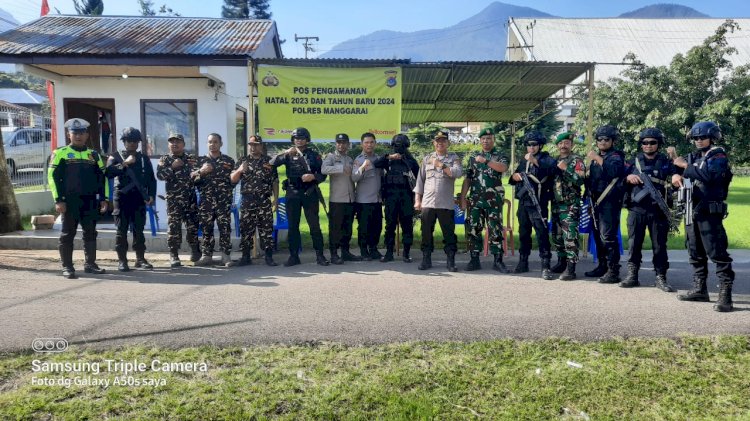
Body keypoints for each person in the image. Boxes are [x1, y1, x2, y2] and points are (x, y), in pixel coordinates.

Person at [671, 121, 735, 312]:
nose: (699, 141)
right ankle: (700, 289)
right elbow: (678, 169)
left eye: (703, 137)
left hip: (709, 212)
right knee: (695, 251)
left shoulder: (718, 155)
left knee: (717, 252)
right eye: (696, 138)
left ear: (712, 137)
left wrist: (684, 166)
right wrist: (676, 175)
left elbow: (709, 177)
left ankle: (725, 295)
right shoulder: (694, 157)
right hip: (691, 209)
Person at [48, 118, 109, 279]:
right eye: (75, 133)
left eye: (82, 133)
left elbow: (102, 178)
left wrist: (104, 198)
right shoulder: (59, 153)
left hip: (89, 201)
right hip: (69, 201)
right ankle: (67, 267)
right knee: (68, 233)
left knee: (90, 233)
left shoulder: (93, 155)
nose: (78, 136)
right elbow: (52, 177)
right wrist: (58, 200)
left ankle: (90, 264)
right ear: (69, 134)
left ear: (87, 135)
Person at [621, 127, 676, 292]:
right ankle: (632, 275)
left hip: (658, 211)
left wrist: (674, 157)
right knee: (634, 244)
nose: (648, 145)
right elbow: (617, 178)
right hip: (636, 210)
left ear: (658, 144)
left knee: (659, 246)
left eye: (652, 142)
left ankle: (661, 276)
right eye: (645, 142)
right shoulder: (632, 162)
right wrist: (627, 177)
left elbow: (678, 174)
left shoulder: (666, 162)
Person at [271, 127, 329, 267]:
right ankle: (294, 256)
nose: (299, 140)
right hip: (292, 192)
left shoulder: (314, 155)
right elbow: (272, 163)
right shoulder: (288, 154)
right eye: (296, 138)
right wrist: (284, 152)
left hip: (309, 193)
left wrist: (313, 176)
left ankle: (320, 255)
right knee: (293, 227)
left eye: (302, 138)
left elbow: (323, 174)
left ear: (307, 140)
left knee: (314, 226)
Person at [459, 127, 510, 272]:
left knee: (495, 229)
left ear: (493, 140)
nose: (486, 141)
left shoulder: (499, 156)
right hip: (476, 200)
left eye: (489, 138)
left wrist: (486, 161)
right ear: (480, 140)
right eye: (483, 139)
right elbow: (468, 179)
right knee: (474, 228)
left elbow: (503, 168)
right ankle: (474, 260)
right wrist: (463, 197)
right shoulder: (473, 158)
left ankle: (498, 260)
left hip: (493, 201)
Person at [106, 127, 157, 272]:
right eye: (129, 141)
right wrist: (125, 163)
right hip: (121, 197)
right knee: (121, 230)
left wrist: (151, 195)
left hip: (139, 198)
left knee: (139, 230)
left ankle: (140, 259)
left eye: (135, 141)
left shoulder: (143, 158)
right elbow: (108, 173)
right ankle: (122, 261)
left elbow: (151, 180)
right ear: (124, 142)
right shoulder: (115, 156)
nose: (132, 144)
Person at [508, 130, 557, 279]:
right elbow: (512, 179)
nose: (531, 148)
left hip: (539, 202)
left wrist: (534, 161)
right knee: (524, 233)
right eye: (529, 145)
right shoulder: (524, 161)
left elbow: (552, 170)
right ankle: (523, 261)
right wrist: (515, 176)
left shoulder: (546, 158)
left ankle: (545, 265)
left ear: (540, 145)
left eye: (534, 145)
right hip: (524, 203)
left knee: (541, 234)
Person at [414, 130, 463, 272]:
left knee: (449, 233)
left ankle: (450, 260)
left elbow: (457, 173)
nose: (440, 143)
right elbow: (420, 181)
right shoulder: (427, 158)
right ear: (433, 143)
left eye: (443, 140)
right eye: (438, 141)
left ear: (448, 142)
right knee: (426, 233)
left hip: (445, 203)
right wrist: (418, 200)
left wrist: (441, 165)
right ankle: (426, 259)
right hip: (428, 203)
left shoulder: (454, 158)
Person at [584, 125, 627, 283]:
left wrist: (596, 158)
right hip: (595, 202)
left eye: (606, 139)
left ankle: (613, 270)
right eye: (599, 139)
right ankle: (602, 266)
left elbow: (614, 172)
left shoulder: (616, 156)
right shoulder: (596, 161)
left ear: (612, 141)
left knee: (608, 236)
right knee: (598, 235)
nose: (602, 142)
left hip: (610, 202)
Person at [231, 134, 279, 266]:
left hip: (264, 200)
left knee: (266, 230)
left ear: (261, 146)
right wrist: (240, 170)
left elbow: (275, 181)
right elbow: (232, 179)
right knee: (246, 229)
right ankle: (246, 256)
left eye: (256, 145)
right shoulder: (242, 160)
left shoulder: (269, 161)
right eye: (251, 145)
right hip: (247, 200)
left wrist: (275, 199)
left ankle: (269, 257)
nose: (253, 147)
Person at [157, 133, 201, 268]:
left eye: (178, 142)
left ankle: (195, 251)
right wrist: (172, 167)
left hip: (190, 199)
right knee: (174, 228)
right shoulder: (164, 159)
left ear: (184, 144)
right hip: (174, 201)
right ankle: (174, 255)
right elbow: (160, 176)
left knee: (192, 227)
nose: (174, 144)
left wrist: (198, 175)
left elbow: (198, 175)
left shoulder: (191, 158)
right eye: (172, 142)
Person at [373, 134, 419, 262]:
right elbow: (376, 163)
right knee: (390, 225)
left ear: (406, 146)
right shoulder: (388, 159)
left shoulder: (410, 161)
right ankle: (388, 252)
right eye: (396, 145)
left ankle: (406, 252)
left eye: (401, 145)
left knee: (407, 225)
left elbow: (419, 179)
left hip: (406, 196)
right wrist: (388, 156)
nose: (398, 148)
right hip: (391, 196)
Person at [192, 133, 236, 267]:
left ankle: (226, 256)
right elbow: (192, 179)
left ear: (221, 144)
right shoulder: (200, 161)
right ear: (207, 144)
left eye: (215, 142)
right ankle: (207, 255)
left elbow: (233, 181)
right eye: (210, 142)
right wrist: (201, 171)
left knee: (225, 228)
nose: (213, 144)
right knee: (206, 228)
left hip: (223, 201)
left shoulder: (229, 161)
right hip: (206, 202)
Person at [550, 132, 586, 281]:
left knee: (570, 236)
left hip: (570, 204)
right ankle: (561, 262)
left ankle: (571, 268)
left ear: (571, 145)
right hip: (556, 204)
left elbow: (580, 180)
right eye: (561, 143)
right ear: (557, 146)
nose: (563, 145)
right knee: (557, 235)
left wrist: (566, 169)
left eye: (566, 143)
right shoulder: (554, 160)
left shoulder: (576, 160)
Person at [321, 133, 359, 264]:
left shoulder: (350, 158)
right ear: (336, 144)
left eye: (344, 143)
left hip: (350, 199)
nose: (341, 145)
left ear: (348, 144)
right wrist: (341, 168)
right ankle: (333, 254)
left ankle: (345, 252)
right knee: (335, 229)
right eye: (339, 142)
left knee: (347, 228)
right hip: (337, 199)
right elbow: (324, 169)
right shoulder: (331, 157)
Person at [352, 132, 383, 261]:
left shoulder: (379, 159)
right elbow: (354, 177)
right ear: (361, 144)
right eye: (366, 142)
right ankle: (364, 250)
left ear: (375, 143)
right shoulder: (358, 160)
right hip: (363, 200)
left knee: (377, 226)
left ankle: (374, 249)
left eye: (371, 142)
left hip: (377, 199)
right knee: (364, 227)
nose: (369, 145)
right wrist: (363, 167)